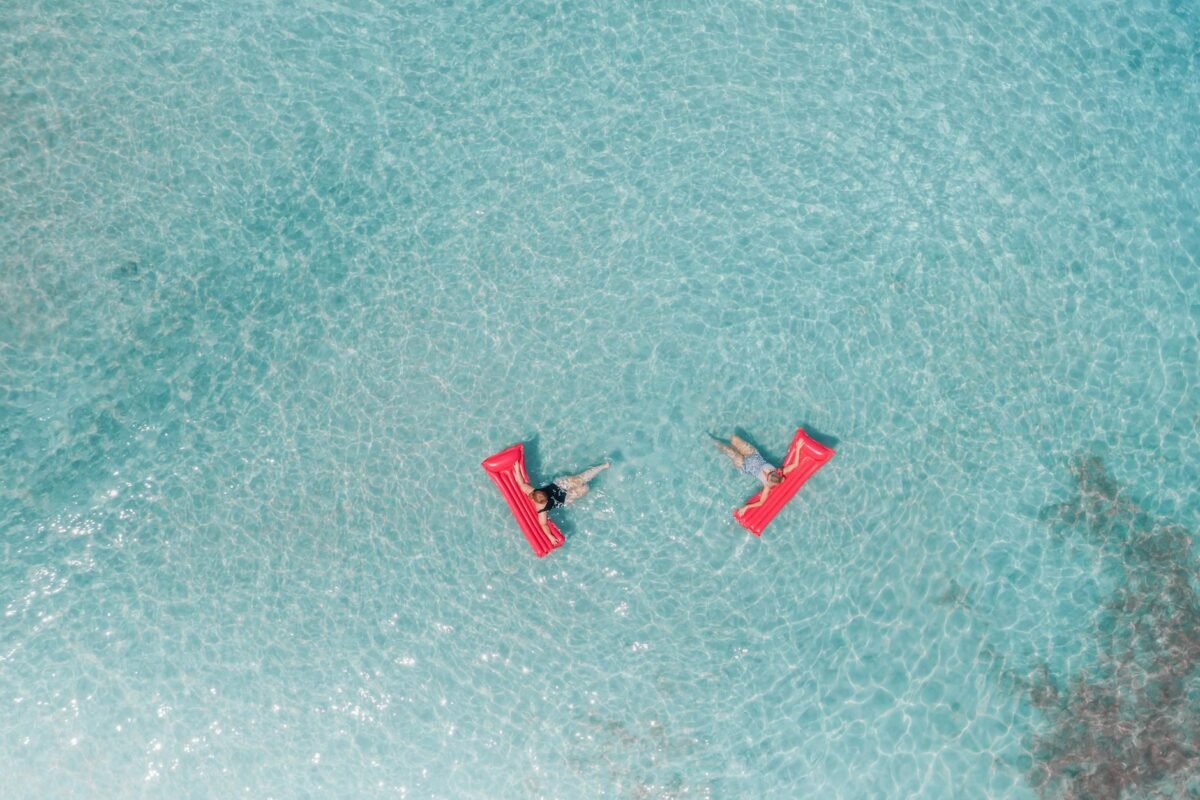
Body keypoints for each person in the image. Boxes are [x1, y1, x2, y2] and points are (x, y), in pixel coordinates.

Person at [511, 461, 611, 545]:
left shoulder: (533, 491)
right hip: (565, 499)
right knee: (585, 488)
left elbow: (521, 483)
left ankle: (602, 466)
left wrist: (517, 469)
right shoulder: (541, 509)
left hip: (560, 485)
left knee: (580, 479)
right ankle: (586, 484)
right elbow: (543, 524)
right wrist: (550, 536)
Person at [712, 433, 788, 514]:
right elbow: (794, 465)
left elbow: (761, 503)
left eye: (767, 477)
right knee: (734, 438)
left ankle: (713, 442)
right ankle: (726, 439)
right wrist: (797, 448)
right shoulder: (779, 471)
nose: (766, 473)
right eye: (770, 472)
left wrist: (746, 507)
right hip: (752, 453)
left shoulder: (767, 485)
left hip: (743, 465)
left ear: (769, 481)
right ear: (775, 472)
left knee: (727, 450)